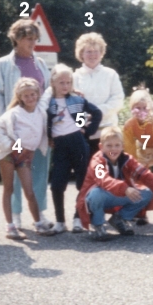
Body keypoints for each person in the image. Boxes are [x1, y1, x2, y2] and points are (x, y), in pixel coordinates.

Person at [0, 19, 53, 230]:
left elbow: (48, 95)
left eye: (35, 39)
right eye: (28, 39)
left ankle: (40, 215)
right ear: (16, 39)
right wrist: (4, 136)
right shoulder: (2, 65)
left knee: (39, 172)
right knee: (16, 171)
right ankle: (15, 216)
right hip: (14, 132)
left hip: (37, 130)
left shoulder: (41, 64)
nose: (32, 43)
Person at [76, 127, 153, 241]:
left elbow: (146, 174)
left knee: (147, 193)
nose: (113, 149)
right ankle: (98, 225)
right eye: (109, 146)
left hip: (118, 194)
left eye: (117, 145)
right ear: (101, 147)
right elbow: (103, 179)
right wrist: (125, 188)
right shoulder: (96, 161)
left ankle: (119, 219)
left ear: (123, 146)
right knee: (96, 194)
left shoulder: (128, 159)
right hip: (100, 196)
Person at [0, 79, 55, 240]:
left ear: (37, 94)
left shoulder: (41, 109)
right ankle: (11, 227)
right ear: (20, 97)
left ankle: (38, 223)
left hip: (24, 156)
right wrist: (14, 146)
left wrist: (72, 89)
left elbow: (50, 91)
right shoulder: (14, 113)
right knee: (9, 188)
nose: (30, 98)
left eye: (33, 94)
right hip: (9, 155)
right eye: (26, 96)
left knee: (29, 191)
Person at [41, 64, 102, 233]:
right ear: (53, 83)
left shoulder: (78, 99)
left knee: (82, 183)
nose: (65, 86)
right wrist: (49, 136)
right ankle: (60, 221)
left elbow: (97, 113)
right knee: (57, 184)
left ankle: (78, 218)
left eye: (68, 82)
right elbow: (42, 120)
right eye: (61, 82)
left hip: (78, 143)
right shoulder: (48, 102)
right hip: (60, 146)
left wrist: (86, 131)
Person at [72, 32, 124, 160]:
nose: (92, 55)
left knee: (109, 174)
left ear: (101, 53)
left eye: (96, 51)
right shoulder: (75, 77)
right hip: (84, 134)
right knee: (86, 174)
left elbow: (118, 99)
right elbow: (73, 105)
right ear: (81, 54)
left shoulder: (111, 74)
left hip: (108, 134)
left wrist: (97, 113)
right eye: (88, 51)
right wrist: (82, 123)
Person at [122, 87, 153, 226]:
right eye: (138, 108)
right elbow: (129, 147)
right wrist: (132, 165)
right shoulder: (129, 125)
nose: (142, 111)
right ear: (132, 108)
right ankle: (141, 212)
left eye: (145, 108)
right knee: (140, 182)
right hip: (142, 153)